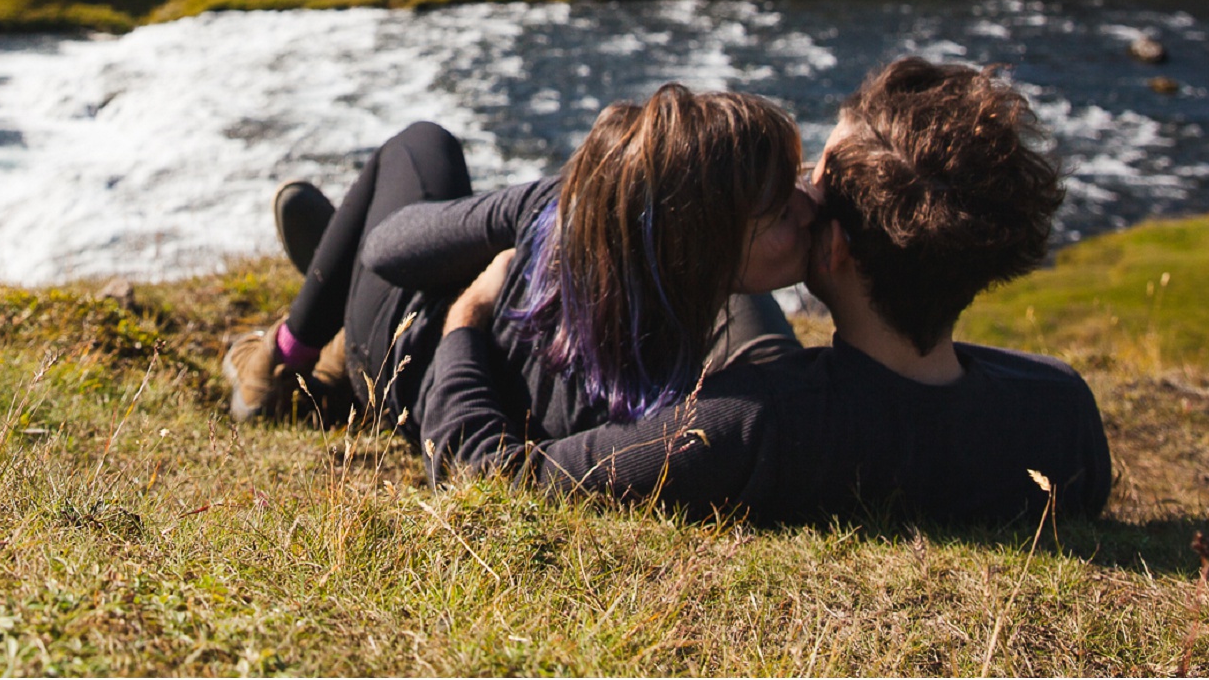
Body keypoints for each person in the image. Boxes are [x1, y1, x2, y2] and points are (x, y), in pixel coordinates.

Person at [418, 56, 1112, 526]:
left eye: (814, 179)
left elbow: (485, 479)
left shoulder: (747, 424)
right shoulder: (1059, 407)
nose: (801, 188)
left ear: (835, 247)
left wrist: (465, 321)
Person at [221, 85, 811, 446]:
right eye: (787, 204)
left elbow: (386, 247)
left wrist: (563, 199)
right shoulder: (652, 356)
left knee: (421, 147)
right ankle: (295, 361)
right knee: (420, 157)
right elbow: (388, 250)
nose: (811, 207)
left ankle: (299, 349)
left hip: (410, 344)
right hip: (412, 321)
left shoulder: (597, 250)